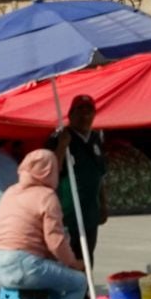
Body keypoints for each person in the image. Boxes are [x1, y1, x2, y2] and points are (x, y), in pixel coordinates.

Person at [0, 149, 88, 299]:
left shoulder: (10, 191)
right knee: (78, 282)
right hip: (21, 265)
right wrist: (74, 263)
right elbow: (55, 242)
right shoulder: (46, 196)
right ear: (48, 171)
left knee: (51, 279)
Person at [50, 95, 108, 264]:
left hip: (90, 212)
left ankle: (86, 282)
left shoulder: (96, 138)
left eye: (89, 111)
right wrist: (62, 146)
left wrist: (103, 204)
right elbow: (52, 170)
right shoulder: (59, 137)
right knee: (67, 259)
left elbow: (100, 174)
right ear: (70, 114)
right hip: (68, 212)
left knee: (87, 257)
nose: (85, 116)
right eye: (80, 110)